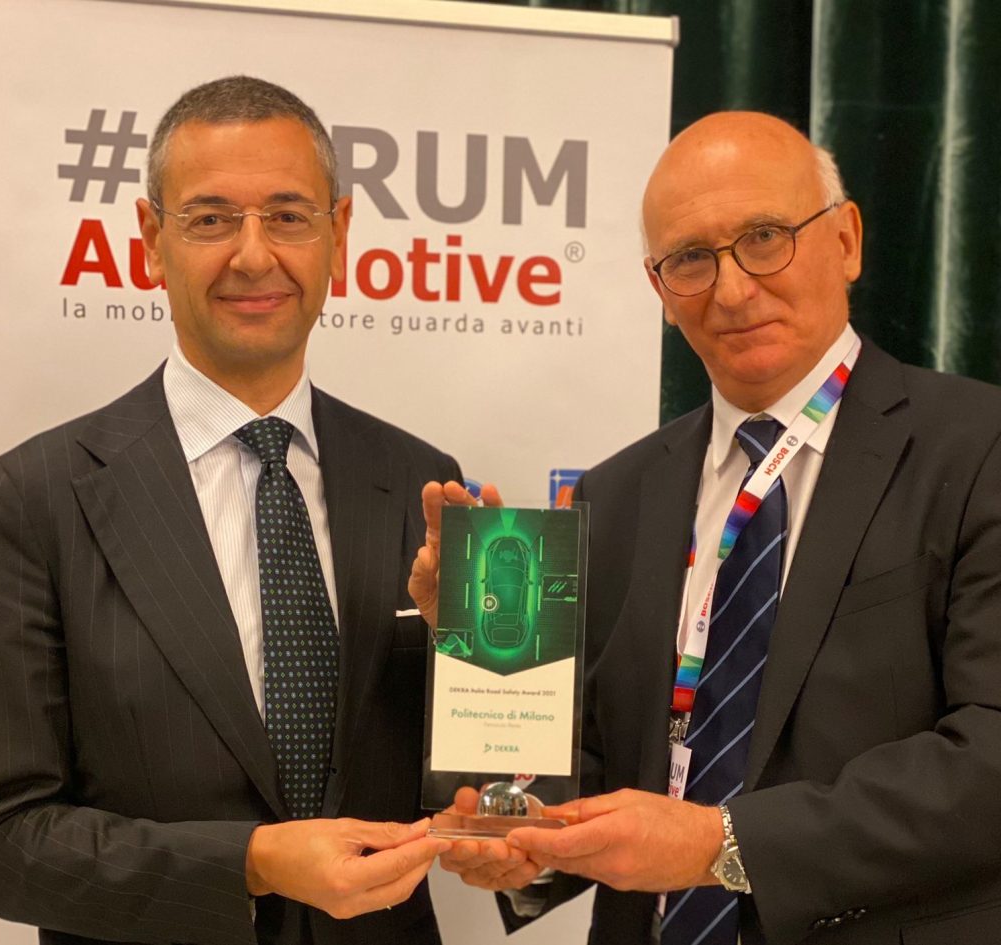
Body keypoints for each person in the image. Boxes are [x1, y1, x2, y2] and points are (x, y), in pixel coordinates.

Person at [412, 112, 1001, 944]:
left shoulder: (978, 449)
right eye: (691, 258)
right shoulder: (617, 495)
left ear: (847, 240)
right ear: (659, 289)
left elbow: (988, 756)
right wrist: (522, 825)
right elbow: (602, 766)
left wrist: (720, 845)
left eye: (764, 238)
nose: (731, 290)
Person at [0, 76, 458, 945]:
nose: (253, 255)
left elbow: (475, 785)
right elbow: (1, 840)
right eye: (210, 219)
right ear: (150, 242)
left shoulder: (420, 481)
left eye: (288, 215)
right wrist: (252, 861)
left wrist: (476, 655)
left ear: (339, 234)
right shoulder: (30, 499)